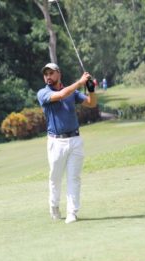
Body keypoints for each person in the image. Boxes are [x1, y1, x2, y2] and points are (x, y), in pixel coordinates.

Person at [37, 63, 97, 224]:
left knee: (74, 178)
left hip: (75, 140)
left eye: (51, 73)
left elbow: (91, 103)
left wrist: (91, 88)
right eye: (46, 74)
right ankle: (54, 205)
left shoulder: (73, 92)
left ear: (59, 74)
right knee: (55, 178)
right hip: (56, 142)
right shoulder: (43, 93)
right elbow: (62, 95)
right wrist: (80, 82)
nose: (48, 76)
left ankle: (72, 212)